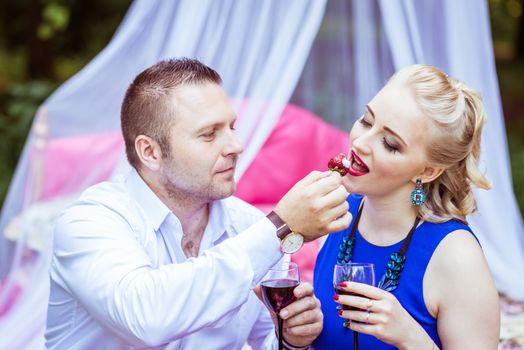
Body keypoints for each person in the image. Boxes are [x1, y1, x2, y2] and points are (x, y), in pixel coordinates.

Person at [45, 58, 352, 349]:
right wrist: (281, 227)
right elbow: (147, 317)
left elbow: (268, 341)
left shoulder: (248, 226)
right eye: (208, 134)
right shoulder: (90, 222)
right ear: (150, 152)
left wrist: (292, 340)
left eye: (231, 128)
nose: (236, 146)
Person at [313, 64, 500, 349]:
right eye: (366, 120)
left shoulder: (457, 257)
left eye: (390, 144)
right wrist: (293, 337)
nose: (361, 143)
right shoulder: (337, 213)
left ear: (427, 172)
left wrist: (410, 338)